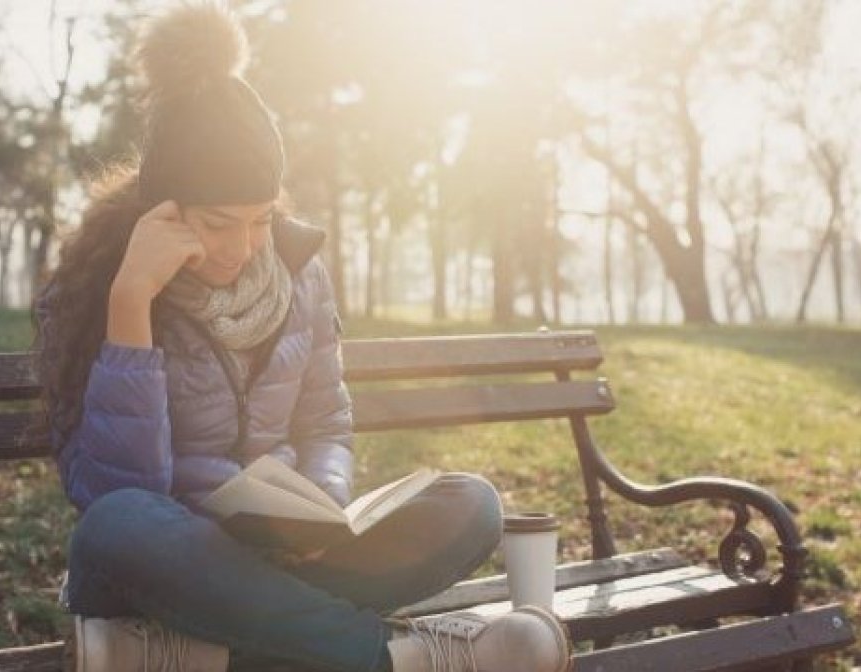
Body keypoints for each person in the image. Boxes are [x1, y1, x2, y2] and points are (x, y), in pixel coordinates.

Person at [35, 4, 570, 671]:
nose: (241, 246)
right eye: (217, 223)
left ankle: (183, 654)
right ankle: (401, 660)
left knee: (471, 505)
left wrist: (322, 509)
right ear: (161, 209)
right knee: (117, 523)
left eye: (259, 220)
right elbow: (117, 488)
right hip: (157, 563)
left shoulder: (299, 274)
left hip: (278, 559)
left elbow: (324, 421)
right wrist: (131, 304)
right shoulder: (96, 289)